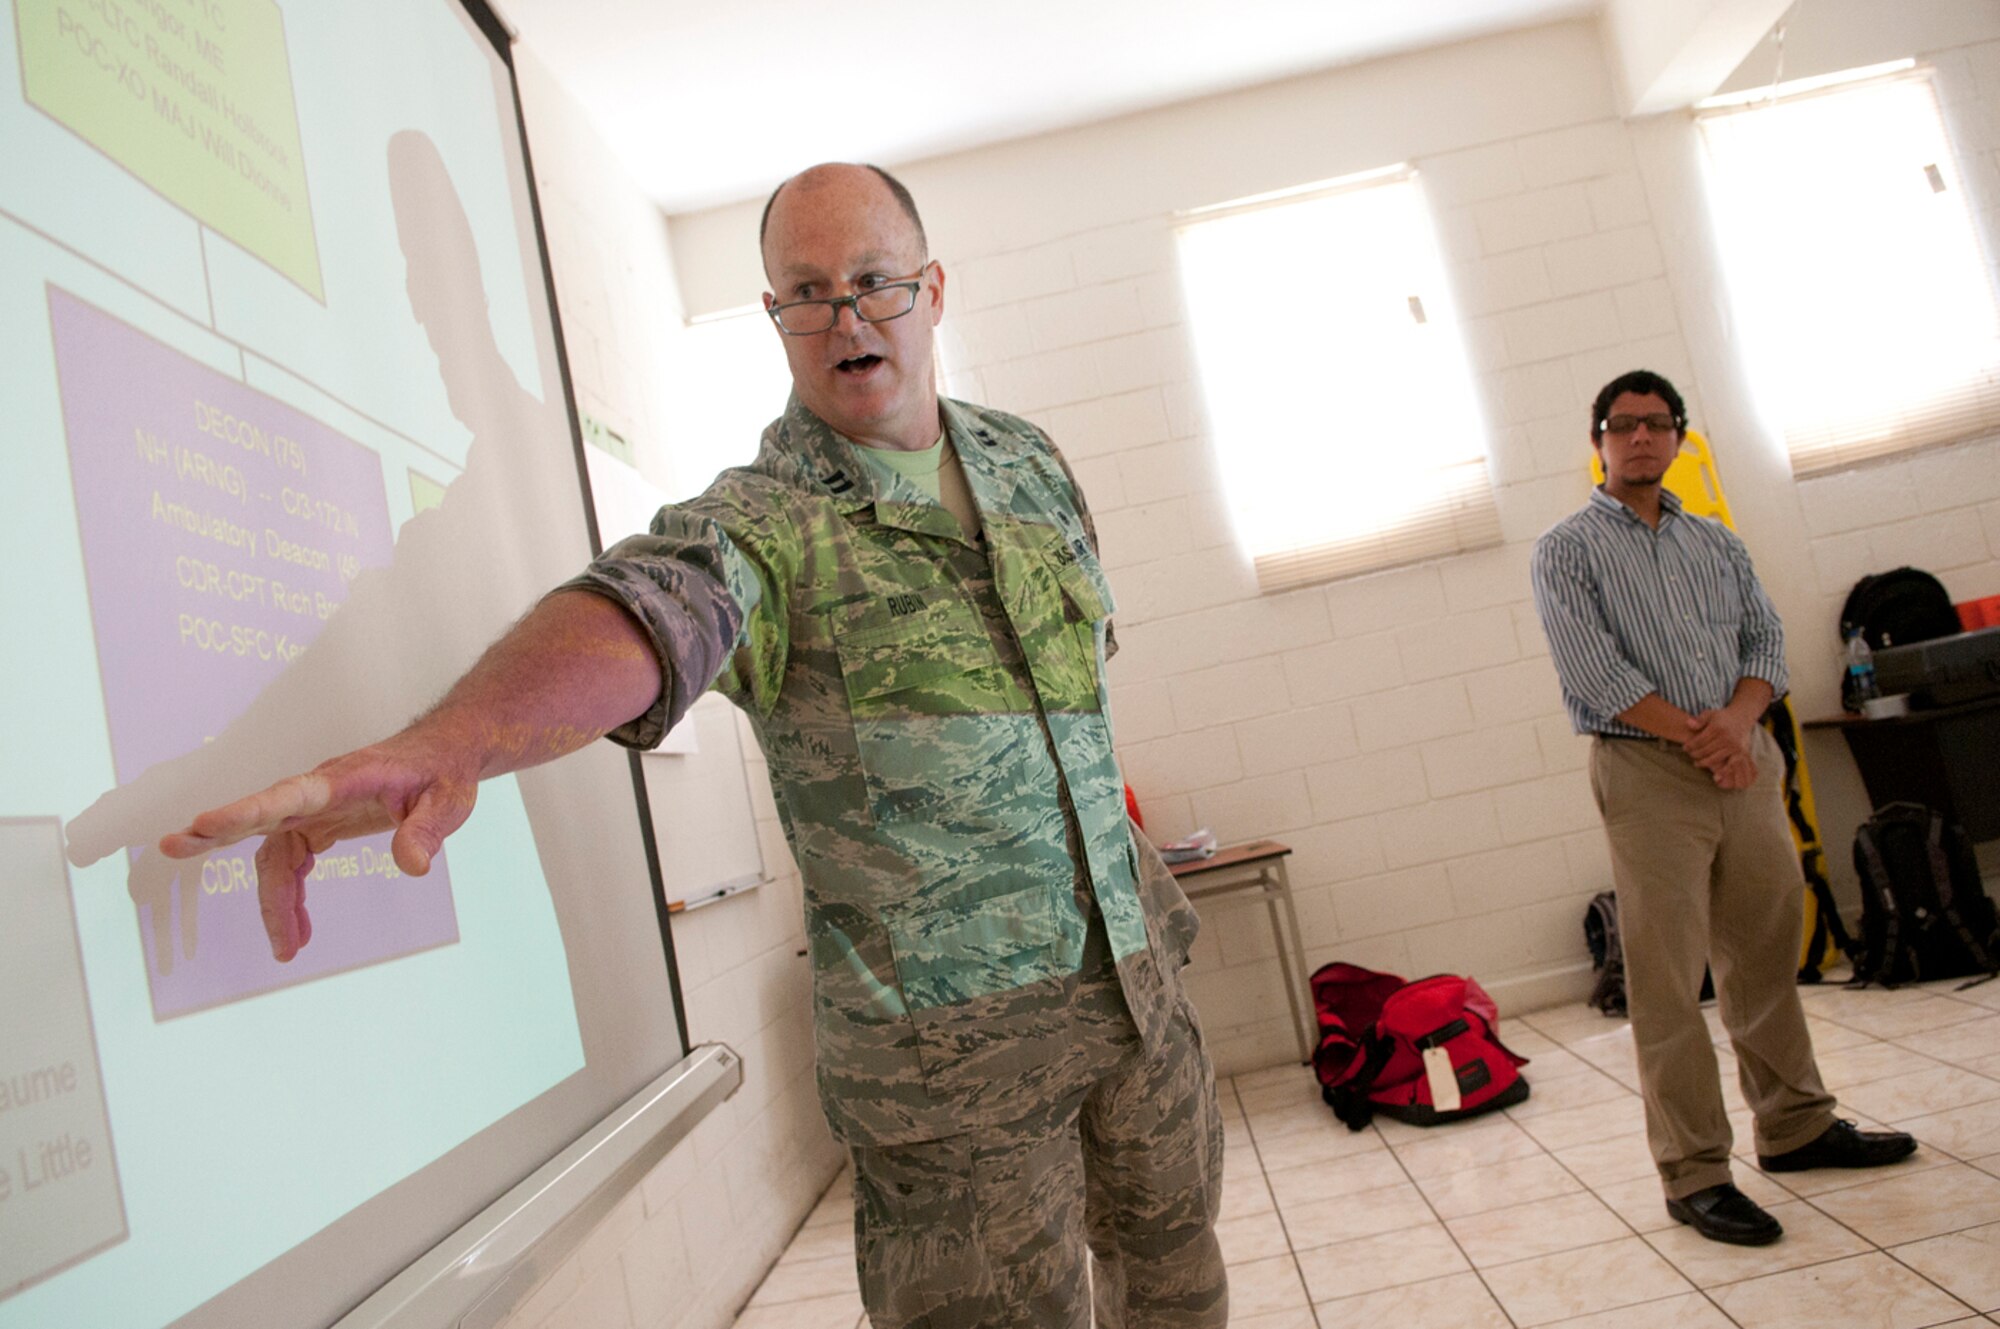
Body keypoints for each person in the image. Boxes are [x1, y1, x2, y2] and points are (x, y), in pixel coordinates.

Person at [161, 162, 1226, 1327]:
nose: (846, 317)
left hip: (1135, 1002)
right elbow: (651, 607)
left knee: (1178, 1288)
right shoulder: (767, 522)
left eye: (873, 282)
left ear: (932, 289)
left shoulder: (1029, 465)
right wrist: (457, 738)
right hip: (952, 1080)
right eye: (804, 293)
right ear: (775, 320)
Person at [1530, 368, 1916, 1247]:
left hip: (1745, 761)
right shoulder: (1567, 549)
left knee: (1767, 948)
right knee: (1668, 977)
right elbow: (1595, 673)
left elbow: (1766, 644)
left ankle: (1797, 1125)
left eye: (1657, 425)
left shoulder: (1718, 544)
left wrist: (1739, 723)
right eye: (1623, 425)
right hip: (1648, 773)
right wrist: (1699, 738)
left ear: (1677, 438)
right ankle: (1695, 1172)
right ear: (1597, 440)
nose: (1640, 439)